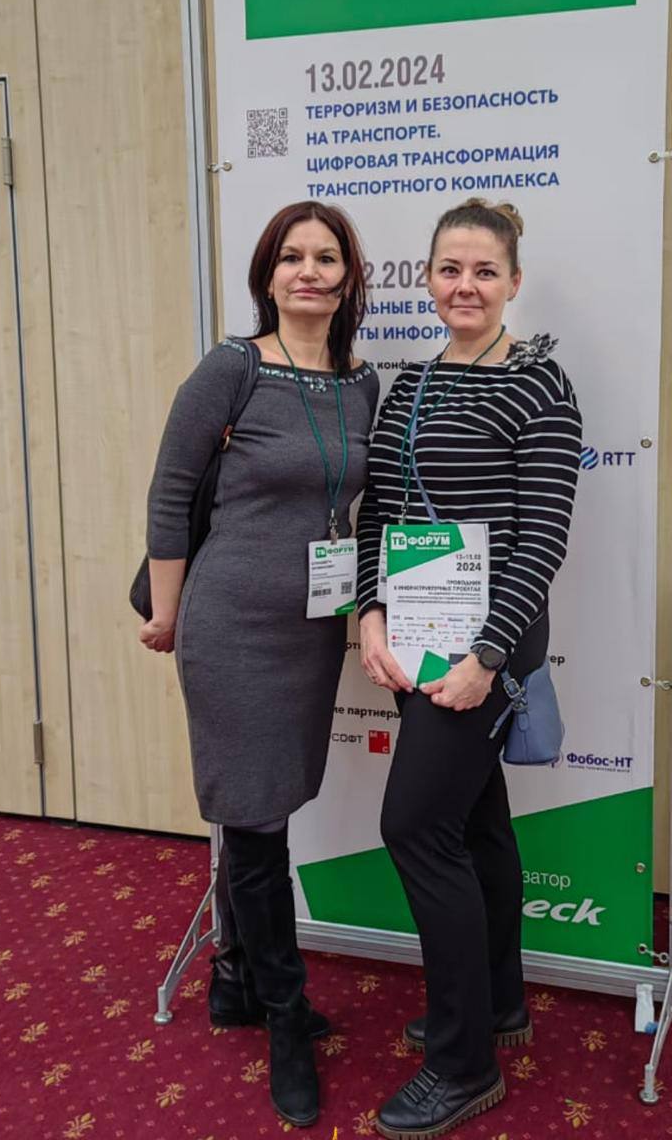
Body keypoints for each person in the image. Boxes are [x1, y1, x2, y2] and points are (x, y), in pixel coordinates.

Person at [140, 200, 379, 1127]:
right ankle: (284, 1017)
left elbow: (360, 506)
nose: (307, 271)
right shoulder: (231, 368)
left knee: (270, 803)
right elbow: (170, 493)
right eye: (290, 256)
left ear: (349, 279)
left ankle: (236, 978)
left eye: (325, 257)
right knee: (253, 820)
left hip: (310, 630)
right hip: (231, 625)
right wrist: (167, 614)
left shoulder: (359, 382)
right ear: (266, 275)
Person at [356, 198, 582, 1139]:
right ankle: (497, 1003)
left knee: (415, 828)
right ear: (426, 279)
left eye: (484, 271)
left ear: (513, 282)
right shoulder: (409, 384)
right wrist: (369, 611)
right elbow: (379, 511)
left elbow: (543, 541)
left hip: (488, 649)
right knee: (475, 825)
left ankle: (462, 1065)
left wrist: (486, 658)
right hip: (416, 637)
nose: (465, 285)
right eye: (449, 269)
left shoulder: (539, 384)